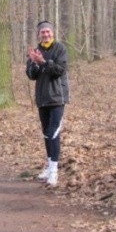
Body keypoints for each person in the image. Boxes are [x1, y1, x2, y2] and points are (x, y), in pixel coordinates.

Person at [26, 20, 70, 188]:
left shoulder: (60, 49)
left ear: (53, 33)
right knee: (46, 133)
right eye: (42, 32)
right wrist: (35, 63)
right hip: (42, 99)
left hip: (57, 98)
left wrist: (44, 62)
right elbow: (31, 75)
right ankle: (50, 164)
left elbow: (59, 70)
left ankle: (54, 171)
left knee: (53, 132)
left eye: (48, 32)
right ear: (39, 34)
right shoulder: (35, 51)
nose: (45, 34)